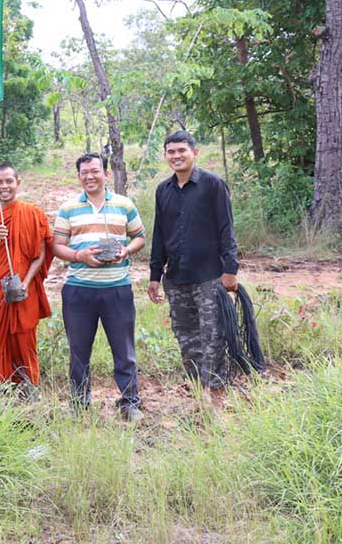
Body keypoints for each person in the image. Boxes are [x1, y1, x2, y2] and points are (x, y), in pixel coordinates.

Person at [52, 153, 147, 420]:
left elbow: (139, 237)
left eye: (95, 171)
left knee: (124, 350)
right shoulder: (68, 208)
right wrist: (79, 255)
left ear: (105, 174)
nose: (90, 177)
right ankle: (79, 404)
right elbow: (57, 246)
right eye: (84, 173)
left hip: (117, 288)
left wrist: (126, 250)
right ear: (79, 176)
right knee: (78, 351)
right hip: (79, 289)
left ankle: (130, 402)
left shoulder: (123, 204)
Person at [147, 131, 239, 403]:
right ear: (166, 155)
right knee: (187, 340)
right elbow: (159, 235)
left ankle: (217, 399)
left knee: (213, 338)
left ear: (194, 152)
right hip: (176, 278)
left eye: (181, 150)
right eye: (171, 151)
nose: (176, 156)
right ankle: (200, 395)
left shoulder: (213, 185)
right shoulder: (163, 190)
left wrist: (230, 270)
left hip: (210, 277)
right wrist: (155, 275)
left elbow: (226, 229)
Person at [0, 163, 53, 395]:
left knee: (25, 335)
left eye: (9, 181)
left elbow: (40, 255)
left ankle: (28, 386)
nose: (4, 186)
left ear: (18, 182)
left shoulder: (32, 213)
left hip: (24, 285)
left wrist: (25, 283)